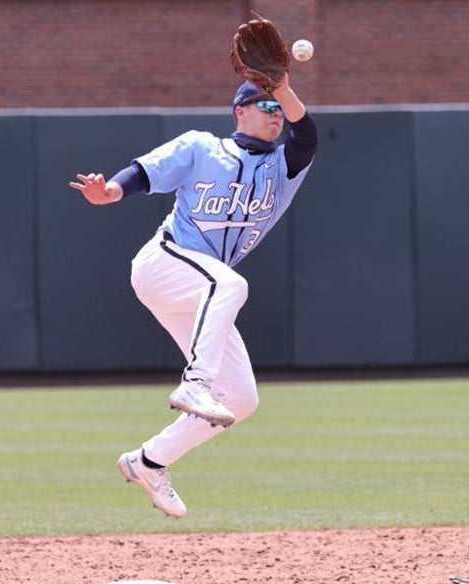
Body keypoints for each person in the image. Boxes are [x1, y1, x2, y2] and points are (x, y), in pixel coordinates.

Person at [68, 73, 317, 518]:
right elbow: (146, 172)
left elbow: (308, 134)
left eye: (278, 107)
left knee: (241, 399)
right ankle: (195, 381)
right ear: (239, 111)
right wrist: (110, 192)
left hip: (197, 294)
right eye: (265, 106)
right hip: (163, 264)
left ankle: (148, 461)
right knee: (230, 284)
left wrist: (281, 87)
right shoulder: (202, 147)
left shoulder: (284, 169)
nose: (275, 114)